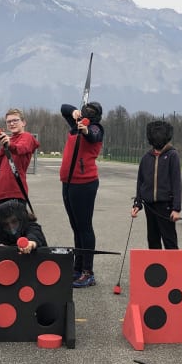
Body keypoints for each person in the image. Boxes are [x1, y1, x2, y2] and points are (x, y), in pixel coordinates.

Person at [59, 101, 105, 287]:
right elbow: (64, 108)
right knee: (76, 227)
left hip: (84, 184)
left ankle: (88, 272)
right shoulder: (75, 126)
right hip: (68, 182)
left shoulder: (96, 128)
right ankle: (78, 268)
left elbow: (93, 136)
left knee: (85, 227)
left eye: (91, 112)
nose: (88, 113)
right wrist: (74, 112)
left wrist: (85, 129)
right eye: (86, 110)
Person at [131, 120, 182, 249]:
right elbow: (140, 181)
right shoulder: (146, 157)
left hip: (166, 205)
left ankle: (174, 267)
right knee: (153, 239)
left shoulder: (172, 155)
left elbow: (177, 183)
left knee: (169, 239)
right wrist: (137, 203)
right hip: (149, 205)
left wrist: (176, 208)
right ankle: (156, 268)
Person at [0, 108, 40, 206]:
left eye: (15, 120)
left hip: (16, 191)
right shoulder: (9, 140)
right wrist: (4, 146)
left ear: (23, 122)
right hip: (2, 192)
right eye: (9, 122)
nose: (12, 123)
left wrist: (9, 144)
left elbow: (21, 148)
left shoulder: (27, 137)